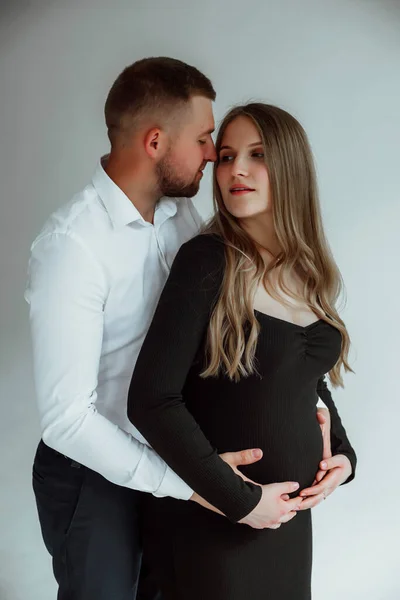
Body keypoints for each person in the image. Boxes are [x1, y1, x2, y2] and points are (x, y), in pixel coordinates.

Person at [25, 57, 333, 599]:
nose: (216, 156)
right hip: (95, 474)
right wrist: (192, 486)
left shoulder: (182, 219)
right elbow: (67, 420)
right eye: (207, 138)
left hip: (178, 460)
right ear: (155, 143)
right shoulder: (72, 246)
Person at [128, 103, 357, 600]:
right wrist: (238, 500)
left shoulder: (308, 271)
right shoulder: (208, 260)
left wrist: (342, 453)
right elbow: (151, 399)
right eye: (227, 156)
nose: (237, 170)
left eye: (257, 155)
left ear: (291, 166)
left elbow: (303, 377)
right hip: (216, 525)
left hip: (286, 522)